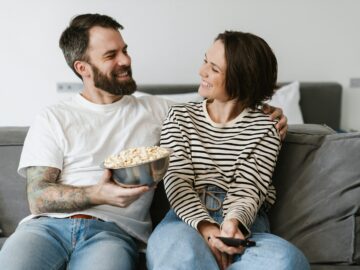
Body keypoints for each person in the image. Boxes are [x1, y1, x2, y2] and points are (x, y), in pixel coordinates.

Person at [0, 14, 288, 270]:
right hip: (45, 228)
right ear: (83, 68)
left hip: (112, 233)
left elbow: (220, 105)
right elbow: (37, 197)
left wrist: (264, 109)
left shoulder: (158, 110)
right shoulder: (54, 117)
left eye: (125, 50)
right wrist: (100, 194)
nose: (125, 60)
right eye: (111, 55)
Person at [147, 31, 310, 270]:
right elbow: (177, 180)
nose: (201, 71)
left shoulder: (266, 127)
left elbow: (249, 187)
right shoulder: (179, 116)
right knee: (178, 257)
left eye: (214, 68)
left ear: (241, 78)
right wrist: (207, 228)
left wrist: (232, 225)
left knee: (288, 262)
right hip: (186, 221)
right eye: (205, 61)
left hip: (247, 223)